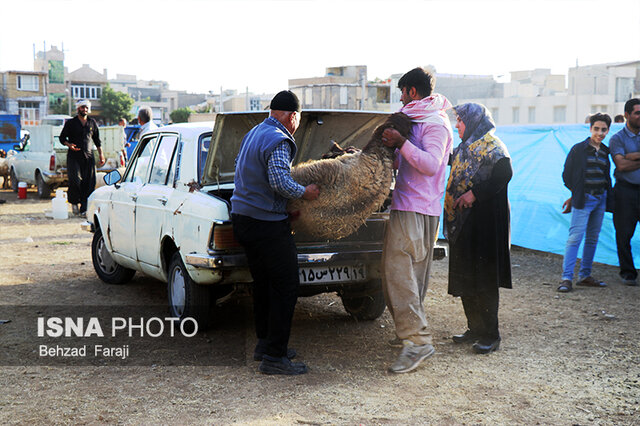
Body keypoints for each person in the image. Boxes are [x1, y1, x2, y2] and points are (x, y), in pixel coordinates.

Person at [230, 90, 320, 375]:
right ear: (293, 115)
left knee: (263, 283)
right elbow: (280, 180)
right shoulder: (279, 138)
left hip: (244, 218)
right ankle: (275, 357)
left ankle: (265, 345)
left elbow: (243, 172)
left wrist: (280, 207)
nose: (297, 124)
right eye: (299, 118)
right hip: (266, 225)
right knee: (286, 286)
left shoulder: (255, 132)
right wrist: (304, 193)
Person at [379, 67, 454, 373]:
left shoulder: (435, 123)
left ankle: (417, 342)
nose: (400, 98)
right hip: (417, 207)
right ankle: (410, 335)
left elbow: (431, 164)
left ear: (411, 91)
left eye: (402, 92)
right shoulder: (421, 120)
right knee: (414, 275)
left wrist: (401, 143)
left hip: (416, 207)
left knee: (399, 271)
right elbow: (405, 161)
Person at [444, 103, 512, 355]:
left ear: (473, 121)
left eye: (460, 121)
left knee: (484, 278)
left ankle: (491, 334)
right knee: (466, 274)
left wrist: (475, 193)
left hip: (485, 223)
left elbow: (504, 175)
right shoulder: (464, 147)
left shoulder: (493, 146)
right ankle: (474, 328)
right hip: (463, 221)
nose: (457, 125)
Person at [557, 113, 614, 292]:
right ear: (590, 129)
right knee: (575, 238)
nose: (600, 132)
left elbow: (605, 176)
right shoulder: (578, 150)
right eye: (596, 129)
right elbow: (566, 176)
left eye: (603, 130)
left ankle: (585, 275)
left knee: (592, 238)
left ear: (608, 131)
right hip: (584, 199)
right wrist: (576, 193)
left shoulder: (605, 151)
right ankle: (566, 278)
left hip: (600, 198)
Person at [609, 98, 640, 286]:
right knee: (623, 233)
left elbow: (627, 161)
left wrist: (632, 156)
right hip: (625, 192)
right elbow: (620, 164)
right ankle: (628, 272)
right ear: (627, 115)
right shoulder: (617, 139)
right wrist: (626, 160)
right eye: (637, 113)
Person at [59, 100, 105, 216]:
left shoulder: (92, 123)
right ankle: (74, 202)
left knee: (89, 182)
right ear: (78, 109)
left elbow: (97, 140)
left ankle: (84, 208)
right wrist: (69, 145)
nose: (84, 109)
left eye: (86, 108)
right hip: (74, 157)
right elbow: (62, 138)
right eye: (82, 107)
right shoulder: (71, 123)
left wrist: (101, 155)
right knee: (75, 180)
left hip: (89, 157)